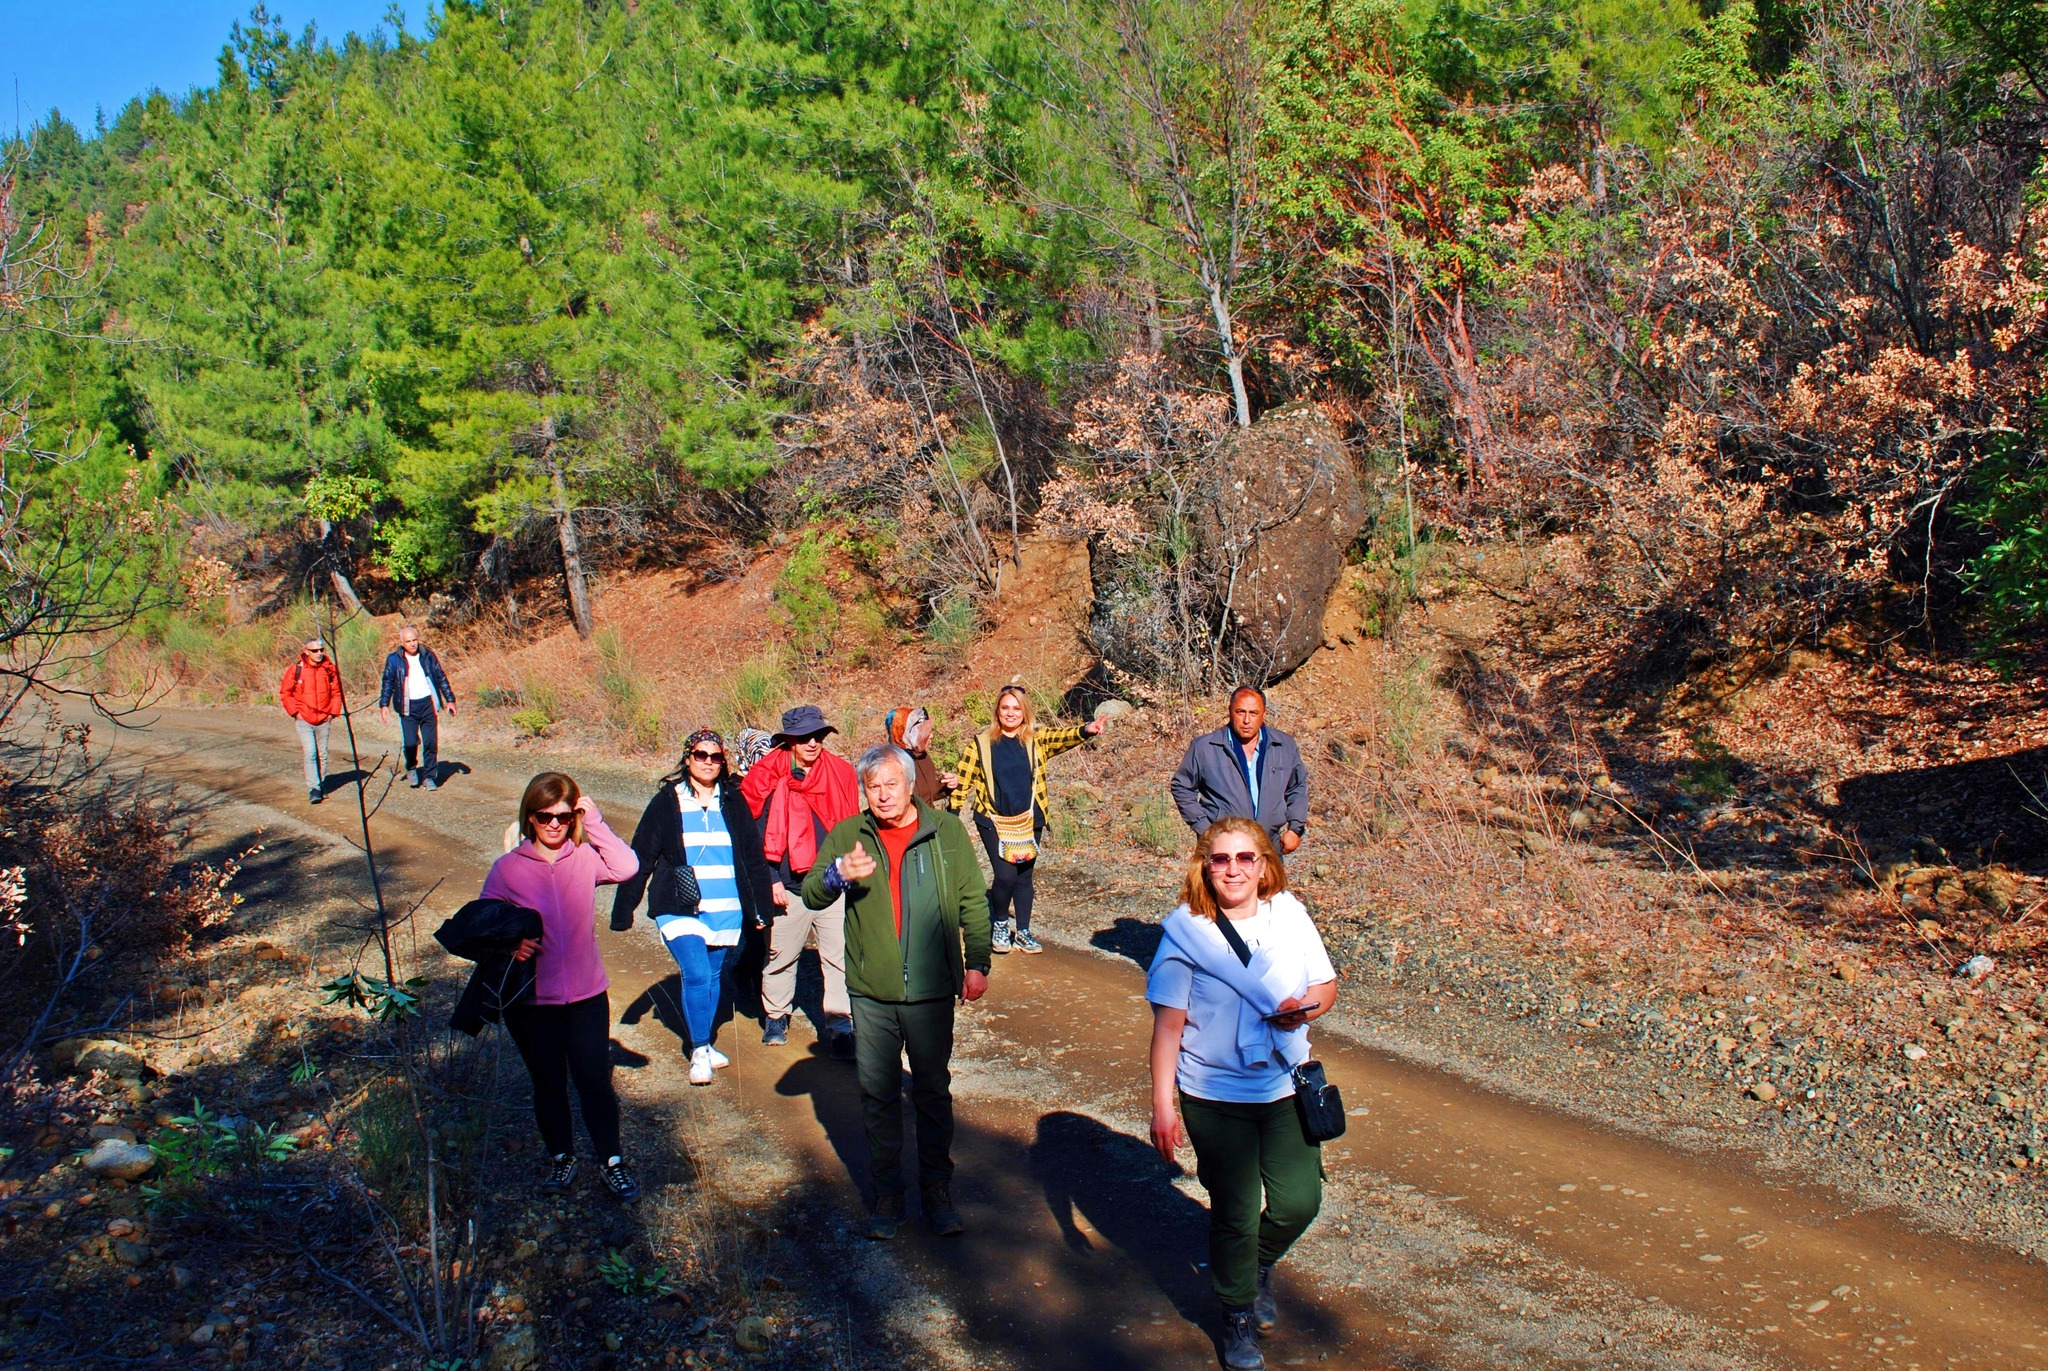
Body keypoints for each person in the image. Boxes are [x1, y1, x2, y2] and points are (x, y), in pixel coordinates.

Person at [1146, 818, 1337, 1370]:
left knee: (1300, 1201)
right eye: (1221, 859)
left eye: (1245, 858)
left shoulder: (1290, 916)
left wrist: (1303, 1010)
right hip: (1215, 1093)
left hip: (1284, 1082)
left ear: (1264, 866)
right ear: (1205, 866)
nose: (1233, 869)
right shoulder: (1185, 932)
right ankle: (1236, 1315)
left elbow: (1325, 987)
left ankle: (1252, 1266)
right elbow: (1168, 1027)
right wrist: (1163, 1106)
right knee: (1235, 1211)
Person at [805, 743, 991, 1239]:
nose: (883, 795)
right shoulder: (850, 834)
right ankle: (888, 1195)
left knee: (932, 1092)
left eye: (891, 784)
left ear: (911, 784)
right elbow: (811, 892)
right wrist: (837, 874)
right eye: (873, 787)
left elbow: (973, 899)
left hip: (931, 990)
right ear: (864, 791)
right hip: (871, 990)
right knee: (878, 1094)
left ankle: (937, 1191)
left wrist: (978, 963)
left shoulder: (946, 832)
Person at [480, 772, 642, 1200]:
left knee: (593, 1079)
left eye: (563, 816)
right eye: (543, 817)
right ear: (529, 818)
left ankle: (611, 1161)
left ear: (574, 817)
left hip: (587, 995)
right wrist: (510, 943)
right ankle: (561, 1157)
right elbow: (483, 925)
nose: (554, 825)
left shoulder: (585, 857)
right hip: (531, 1001)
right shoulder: (509, 868)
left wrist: (596, 821)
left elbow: (628, 866)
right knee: (548, 1082)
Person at [614, 728, 777, 1086]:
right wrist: (624, 908)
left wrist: (760, 909)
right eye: (700, 755)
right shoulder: (667, 801)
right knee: (698, 973)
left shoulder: (733, 802)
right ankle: (699, 1049)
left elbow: (752, 859)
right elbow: (641, 855)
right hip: (679, 905)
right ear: (688, 759)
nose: (708, 762)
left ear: (723, 762)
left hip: (725, 905)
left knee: (714, 976)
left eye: (715, 756)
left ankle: (704, 1041)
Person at [948, 684, 1103, 955]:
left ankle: (1023, 931)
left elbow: (1061, 737)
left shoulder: (1036, 739)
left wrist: (1085, 730)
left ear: (1024, 712)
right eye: (1005, 707)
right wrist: (951, 815)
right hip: (993, 819)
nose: (1010, 713)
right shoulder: (981, 743)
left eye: (1016, 708)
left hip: (1030, 817)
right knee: (1005, 874)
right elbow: (963, 779)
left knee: (1023, 877)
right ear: (998, 710)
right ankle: (998, 923)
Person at [741, 705, 861, 1054]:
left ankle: (841, 1027)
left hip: (831, 882)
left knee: (838, 957)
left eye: (818, 736)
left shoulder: (838, 772)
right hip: (788, 886)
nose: (812, 743)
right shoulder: (767, 776)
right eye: (804, 737)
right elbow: (753, 835)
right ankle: (776, 1015)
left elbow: (850, 826)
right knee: (781, 955)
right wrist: (771, 880)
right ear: (789, 741)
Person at [1170, 686, 1308, 854]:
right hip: (1222, 849)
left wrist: (1295, 828)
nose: (1247, 720)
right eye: (1240, 712)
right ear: (1230, 711)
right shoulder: (1205, 747)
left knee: (1271, 882)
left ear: (1264, 713)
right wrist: (1205, 829)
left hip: (1269, 846)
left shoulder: (1284, 746)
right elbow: (1182, 786)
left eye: (1253, 713)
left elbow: (1297, 787)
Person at [377, 624, 456, 790]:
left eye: (415, 640)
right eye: (408, 641)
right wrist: (384, 705)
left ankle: (429, 777)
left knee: (430, 743)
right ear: (401, 642)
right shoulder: (394, 660)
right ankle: (411, 767)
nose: (412, 644)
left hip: (428, 704)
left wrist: (450, 699)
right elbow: (388, 682)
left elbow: (440, 676)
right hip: (407, 706)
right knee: (410, 742)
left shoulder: (427, 655)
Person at [279, 637, 344, 805]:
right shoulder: (296, 670)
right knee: (310, 752)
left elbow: (337, 693)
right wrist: (295, 713)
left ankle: (320, 785)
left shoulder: (329, 669)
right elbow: (285, 693)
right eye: (314, 650)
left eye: (321, 650)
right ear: (306, 651)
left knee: (322, 753)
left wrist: (332, 712)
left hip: (324, 718)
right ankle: (314, 788)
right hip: (304, 719)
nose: (319, 653)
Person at [883, 705, 959, 805]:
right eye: (923, 732)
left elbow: (928, 794)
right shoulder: (892, 765)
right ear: (907, 734)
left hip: (927, 819)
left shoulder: (923, 757)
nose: (931, 736)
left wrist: (947, 785)